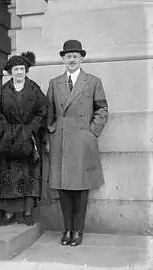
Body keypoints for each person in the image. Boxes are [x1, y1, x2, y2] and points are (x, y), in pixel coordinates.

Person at [46, 40, 108, 246]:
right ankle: (67, 229)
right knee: (63, 188)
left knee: (81, 189)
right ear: (63, 59)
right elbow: (49, 113)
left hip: (82, 139)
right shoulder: (54, 83)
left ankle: (78, 231)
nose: (71, 60)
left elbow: (101, 110)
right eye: (68, 56)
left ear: (81, 58)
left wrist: (91, 133)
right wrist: (52, 132)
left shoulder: (93, 81)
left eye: (75, 56)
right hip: (61, 141)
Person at [0, 51, 48, 226]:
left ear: (26, 71)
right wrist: (9, 131)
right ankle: (8, 212)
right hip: (7, 139)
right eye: (16, 69)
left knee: (28, 173)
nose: (19, 72)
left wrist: (29, 129)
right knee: (8, 173)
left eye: (22, 69)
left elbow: (42, 111)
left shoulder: (34, 90)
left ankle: (27, 210)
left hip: (29, 138)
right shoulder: (2, 92)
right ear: (10, 71)